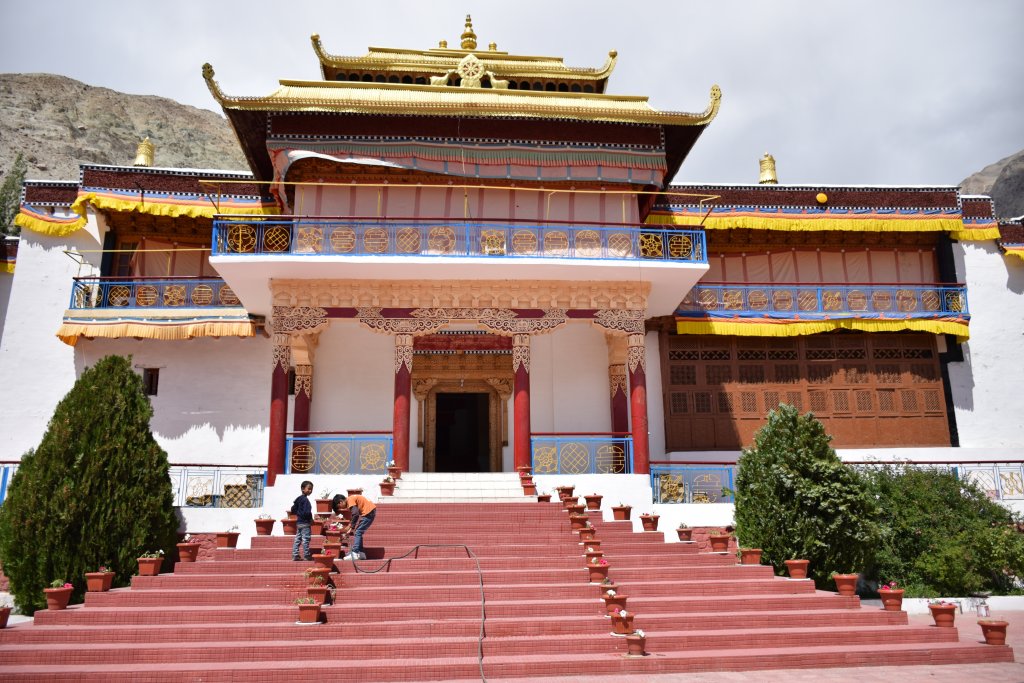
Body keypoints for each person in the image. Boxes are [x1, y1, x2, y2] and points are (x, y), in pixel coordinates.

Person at [335, 492, 376, 560]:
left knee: (358, 532)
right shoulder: (351, 499)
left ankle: (355, 552)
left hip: (368, 512)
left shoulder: (349, 500)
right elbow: (355, 514)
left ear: (341, 502)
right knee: (359, 532)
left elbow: (356, 514)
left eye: (339, 506)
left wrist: (351, 526)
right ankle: (361, 553)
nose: (342, 508)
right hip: (370, 511)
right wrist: (351, 526)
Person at [290, 480, 314, 561]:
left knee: (298, 539)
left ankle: (295, 554)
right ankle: (306, 555)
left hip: (299, 522)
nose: (310, 491)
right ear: (303, 489)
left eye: (311, 489)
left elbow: (293, 509)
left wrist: (298, 514)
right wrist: (310, 519)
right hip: (305, 523)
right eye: (309, 489)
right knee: (306, 539)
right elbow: (307, 512)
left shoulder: (298, 499)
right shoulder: (305, 501)